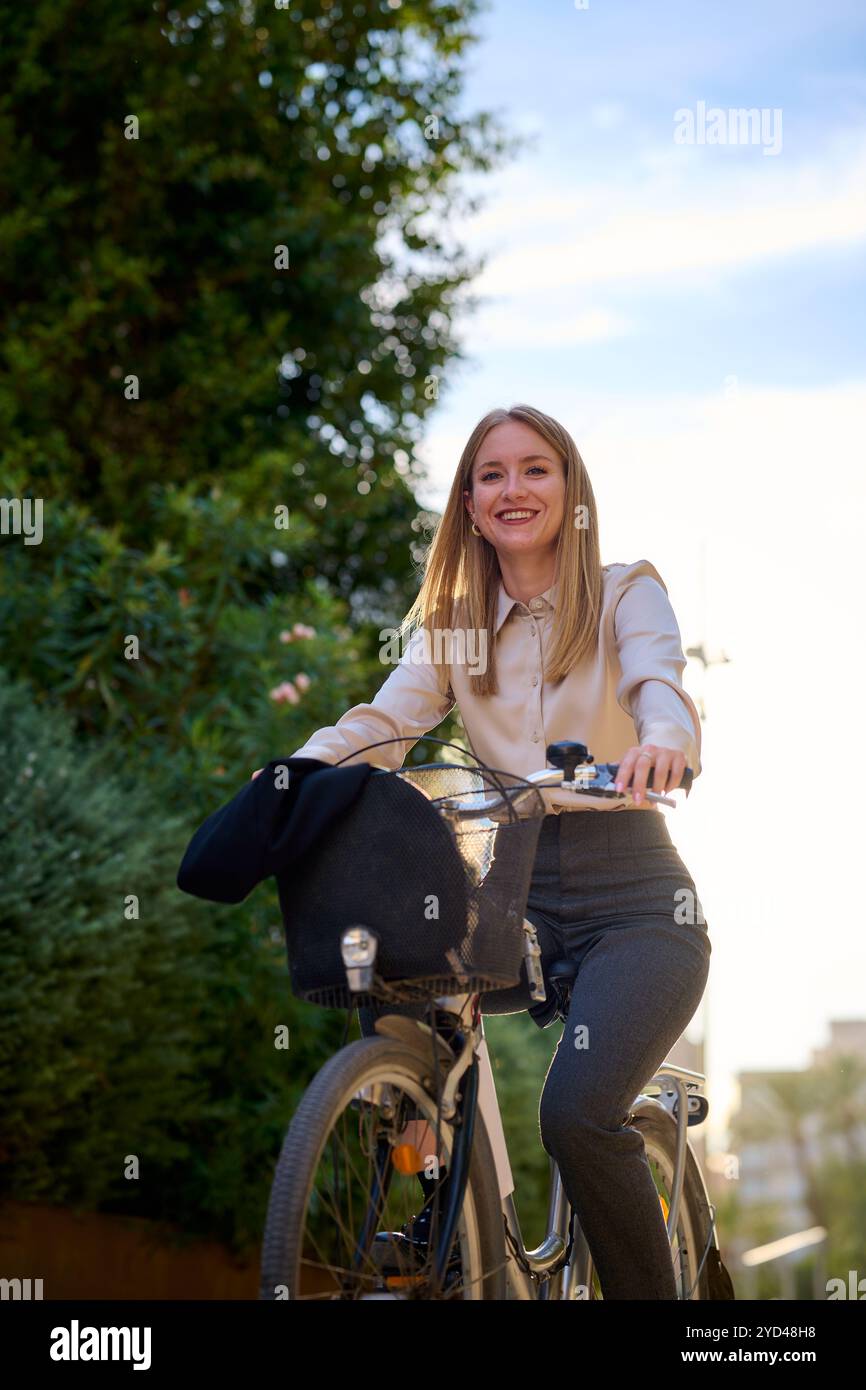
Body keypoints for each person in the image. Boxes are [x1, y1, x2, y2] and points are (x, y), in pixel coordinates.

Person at [273, 403, 712, 1300]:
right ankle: (451, 1200)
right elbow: (385, 722)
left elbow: (656, 680)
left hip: (636, 897)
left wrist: (664, 739)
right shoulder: (457, 624)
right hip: (505, 885)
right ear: (470, 504)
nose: (514, 488)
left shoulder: (626, 589)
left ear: (570, 488)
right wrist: (296, 774)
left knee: (578, 1115)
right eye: (491, 474)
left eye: (535, 469)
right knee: (401, 969)